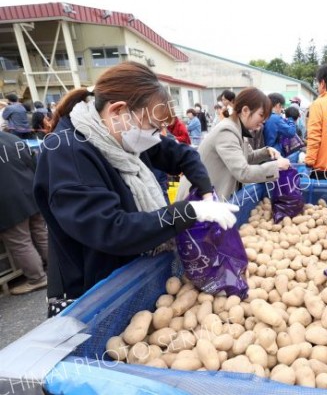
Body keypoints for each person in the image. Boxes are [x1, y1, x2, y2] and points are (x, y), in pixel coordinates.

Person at [33, 61, 238, 316]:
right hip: (92, 290)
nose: (157, 136)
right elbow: (112, 229)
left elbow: (184, 154)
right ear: (118, 111)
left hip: (131, 273)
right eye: (153, 127)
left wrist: (206, 192)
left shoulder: (122, 134)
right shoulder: (68, 155)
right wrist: (187, 212)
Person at [179, 87, 291, 201]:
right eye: (261, 115)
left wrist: (266, 152)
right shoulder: (227, 131)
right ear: (245, 110)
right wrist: (276, 166)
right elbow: (243, 172)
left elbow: (248, 157)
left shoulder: (240, 129)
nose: (263, 121)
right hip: (197, 197)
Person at [0, 132, 48, 295]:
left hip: (7, 201)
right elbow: (32, 162)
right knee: (41, 232)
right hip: (29, 190)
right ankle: (56, 267)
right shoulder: (11, 138)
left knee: (20, 241)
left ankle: (37, 279)